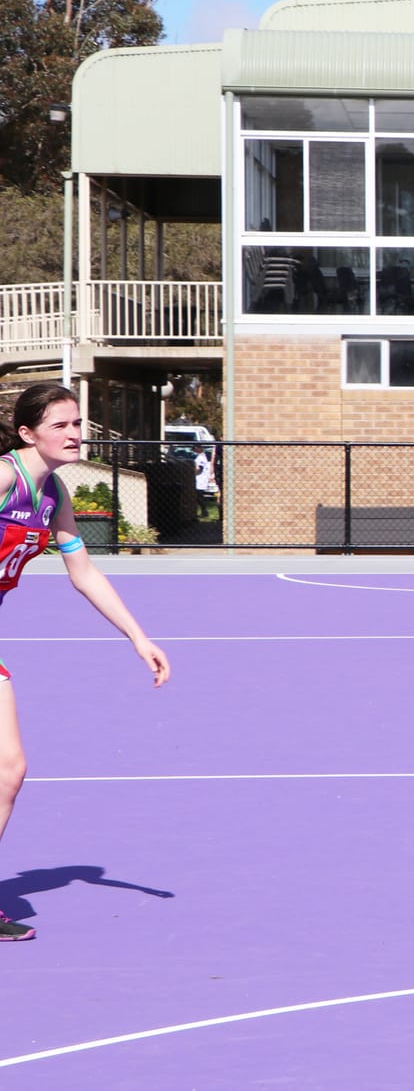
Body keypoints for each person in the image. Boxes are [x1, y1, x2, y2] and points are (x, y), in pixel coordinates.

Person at [0, 383, 171, 941]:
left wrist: (138, 637)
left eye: (78, 423)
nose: (75, 434)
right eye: (61, 425)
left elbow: (85, 573)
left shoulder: (53, 497)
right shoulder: (5, 479)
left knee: (10, 770)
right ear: (28, 433)